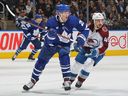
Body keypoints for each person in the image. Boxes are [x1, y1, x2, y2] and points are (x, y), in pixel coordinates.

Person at [23, 4, 89, 91]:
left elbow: (86, 29)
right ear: (58, 13)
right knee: (41, 61)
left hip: (64, 44)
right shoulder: (51, 22)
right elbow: (46, 38)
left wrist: (80, 40)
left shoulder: (73, 19)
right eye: (64, 12)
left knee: (65, 60)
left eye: (68, 12)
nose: (67, 14)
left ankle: (66, 80)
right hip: (50, 45)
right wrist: (51, 36)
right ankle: (33, 80)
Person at [70, 12, 109, 88]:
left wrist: (97, 51)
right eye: (98, 20)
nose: (100, 23)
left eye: (101, 20)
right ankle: (70, 80)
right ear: (93, 21)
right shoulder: (86, 27)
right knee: (77, 64)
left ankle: (80, 80)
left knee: (89, 63)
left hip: (97, 51)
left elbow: (105, 46)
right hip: (85, 48)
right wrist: (78, 45)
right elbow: (80, 36)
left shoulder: (104, 31)